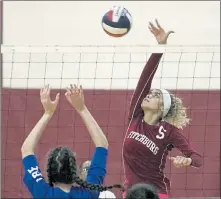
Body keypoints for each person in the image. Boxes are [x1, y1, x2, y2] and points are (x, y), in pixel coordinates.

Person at [122, 19, 203, 198]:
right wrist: (160, 47)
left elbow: (198, 159)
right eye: (150, 93)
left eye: (156, 95)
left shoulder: (168, 131)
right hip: (131, 194)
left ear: (162, 108)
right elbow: (145, 78)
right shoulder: (136, 116)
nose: (149, 94)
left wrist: (187, 160)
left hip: (156, 194)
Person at [21, 84, 123, 198]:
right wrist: (82, 109)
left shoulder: (43, 193)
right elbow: (102, 144)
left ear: (50, 171)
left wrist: (47, 113)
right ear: (74, 170)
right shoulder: (90, 192)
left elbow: (26, 149)